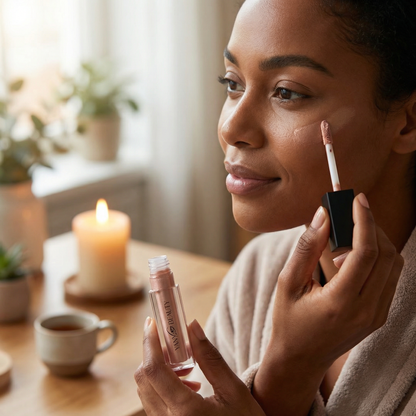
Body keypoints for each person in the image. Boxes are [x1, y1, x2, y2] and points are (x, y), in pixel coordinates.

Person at [134, 0, 416, 414]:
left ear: (407, 122)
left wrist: (289, 369)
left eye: (286, 92)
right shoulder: (256, 275)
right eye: (232, 83)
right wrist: (284, 380)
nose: (231, 127)